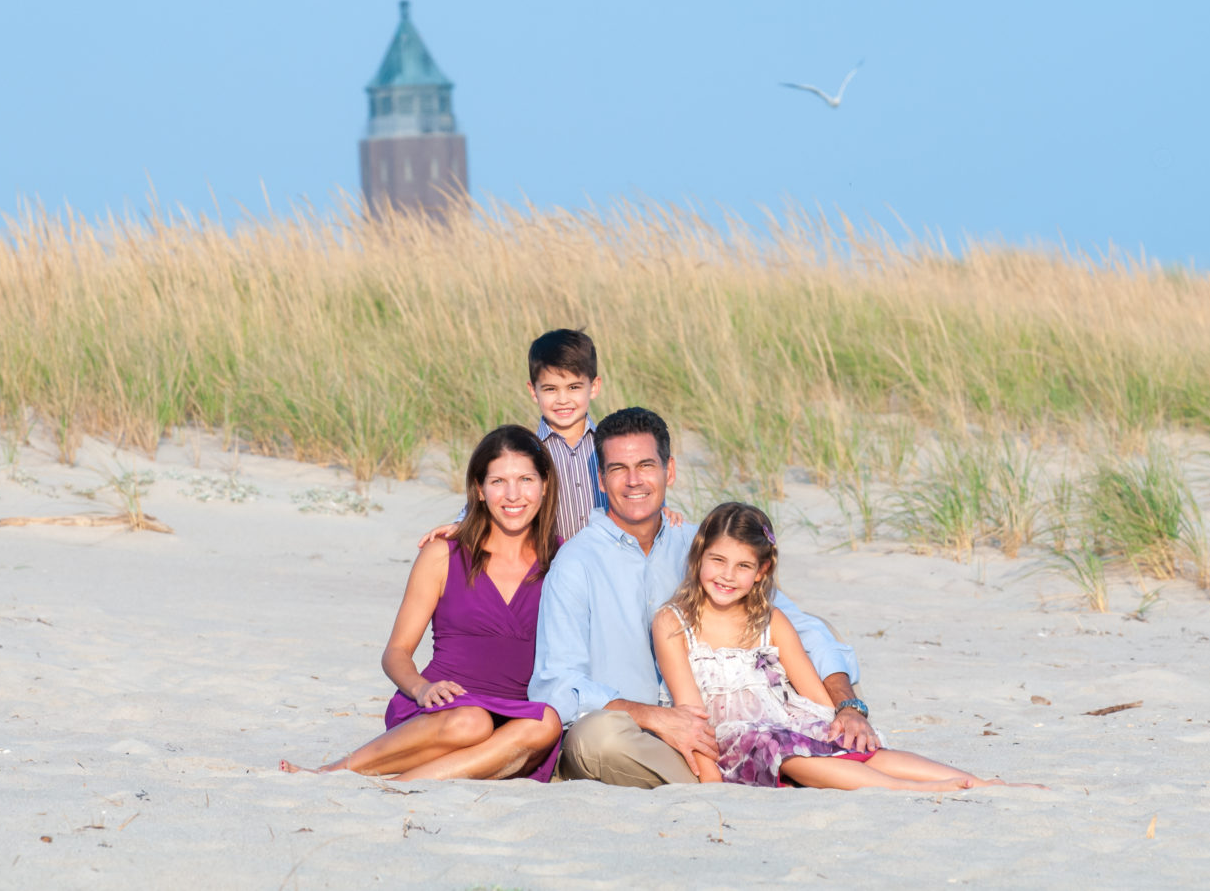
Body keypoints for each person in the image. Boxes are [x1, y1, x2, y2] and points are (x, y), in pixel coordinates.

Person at [528, 407, 878, 788]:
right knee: (597, 739)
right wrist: (655, 717)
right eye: (617, 469)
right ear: (600, 479)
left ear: (670, 471)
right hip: (640, 737)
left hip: (727, 730)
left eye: (646, 465)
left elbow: (799, 626)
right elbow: (556, 684)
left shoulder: (700, 545)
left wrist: (848, 704)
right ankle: (761, 772)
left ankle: (778, 761)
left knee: (820, 630)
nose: (633, 481)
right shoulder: (575, 562)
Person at [655, 502, 1039, 790]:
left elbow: (817, 702)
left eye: (742, 566)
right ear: (698, 557)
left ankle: (976, 782)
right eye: (717, 560)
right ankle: (908, 790)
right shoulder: (674, 623)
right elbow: (693, 718)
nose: (727, 575)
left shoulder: (771, 620)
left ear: (761, 572)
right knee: (774, 743)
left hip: (785, 726)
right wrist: (711, 783)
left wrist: (840, 724)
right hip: (732, 742)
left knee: (837, 738)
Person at [279, 425, 563, 780]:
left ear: (545, 485)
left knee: (546, 722)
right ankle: (334, 770)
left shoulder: (563, 560)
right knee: (471, 722)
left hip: (514, 719)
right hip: (442, 709)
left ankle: (402, 784)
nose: (513, 495)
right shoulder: (442, 554)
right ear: (478, 490)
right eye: (497, 482)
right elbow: (396, 652)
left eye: (525, 480)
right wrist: (421, 688)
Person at [418, 328, 680, 546]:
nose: (563, 399)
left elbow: (640, 490)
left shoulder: (610, 445)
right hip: (551, 566)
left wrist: (663, 512)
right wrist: (460, 524)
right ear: (533, 391)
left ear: (594, 387)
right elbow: (494, 495)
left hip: (611, 559)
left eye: (574, 387)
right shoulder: (527, 451)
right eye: (551, 389)